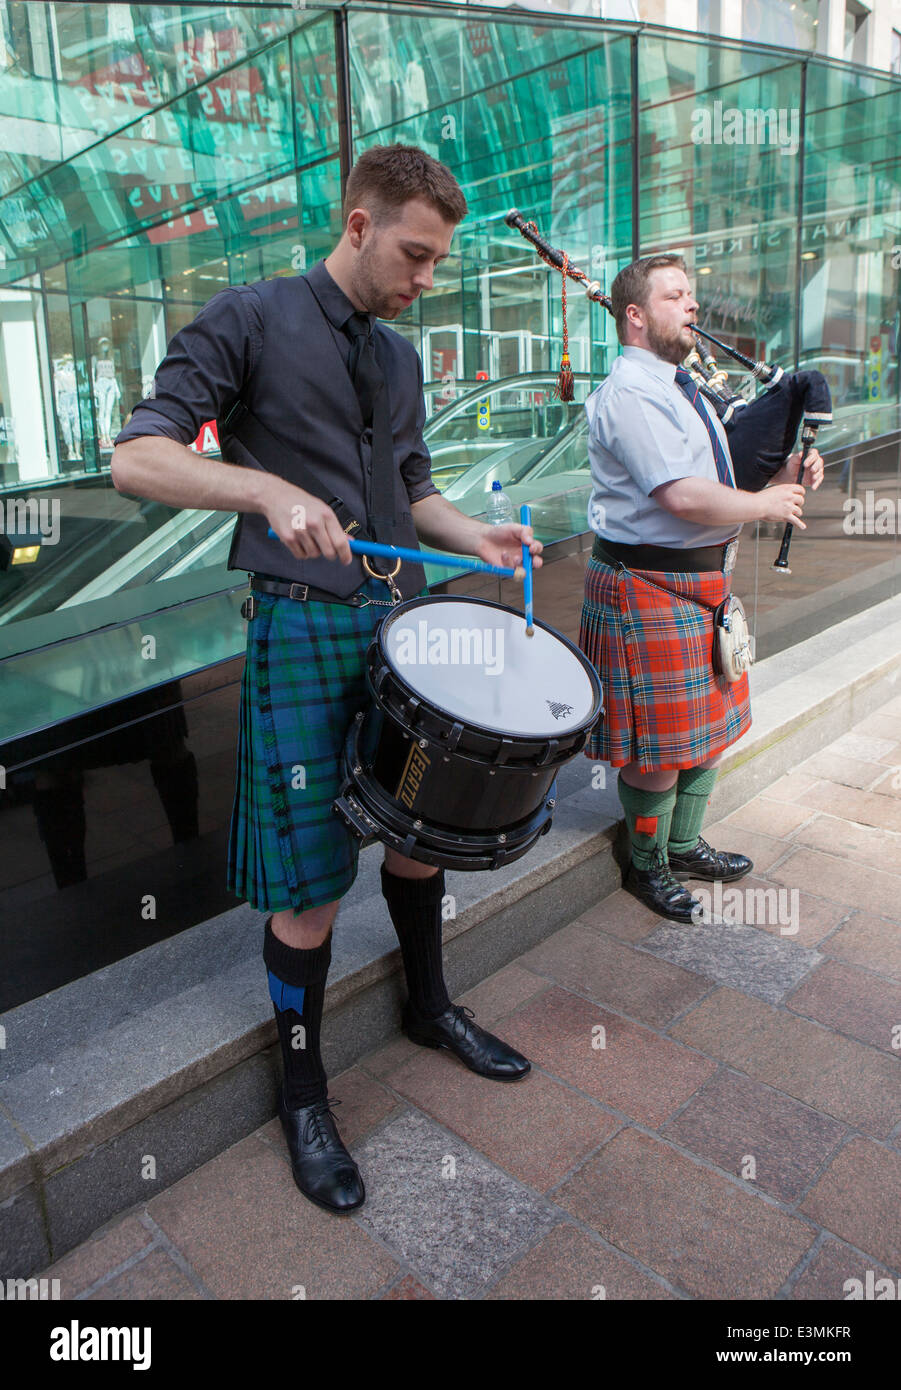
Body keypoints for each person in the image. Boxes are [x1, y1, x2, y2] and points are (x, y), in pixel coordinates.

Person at [111, 144, 541, 1216]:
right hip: (301, 628)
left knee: (419, 830)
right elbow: (136, 459)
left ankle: (427, 1006)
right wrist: (262, 490)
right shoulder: (248, 316)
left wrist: (470, 534)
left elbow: (408, 485)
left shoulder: (398, 358)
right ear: (357, 223)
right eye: (415, 254)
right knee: (308, 890)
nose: (425, 279)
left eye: (439, 261)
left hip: (401, 623)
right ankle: (303, 1092)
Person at [579, 254, 822, 923]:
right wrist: (767, 507)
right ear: (634, 314)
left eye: (692, 295)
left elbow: (719, 476)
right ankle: (647, 864)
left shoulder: (680, 387)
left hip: (695, 585)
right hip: (644, 585)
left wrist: (785, 478)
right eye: (675, 295)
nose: (691, 306)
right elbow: (682, 496)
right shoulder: (630, 393)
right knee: (656, 752)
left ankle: (682, 844)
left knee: (707, 734)